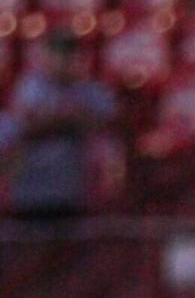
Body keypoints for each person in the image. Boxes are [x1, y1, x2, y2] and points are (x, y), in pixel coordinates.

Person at [2, 29, 117, 220]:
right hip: (30, 190)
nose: (64, 59)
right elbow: (26, 128)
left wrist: (58, 120)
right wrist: (72, 120)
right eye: (58, 53)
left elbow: (107, 124)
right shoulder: (29, 87)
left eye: (69, 53)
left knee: (72, 246)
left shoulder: (93, 91)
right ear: (45, 55)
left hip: (75, 190)